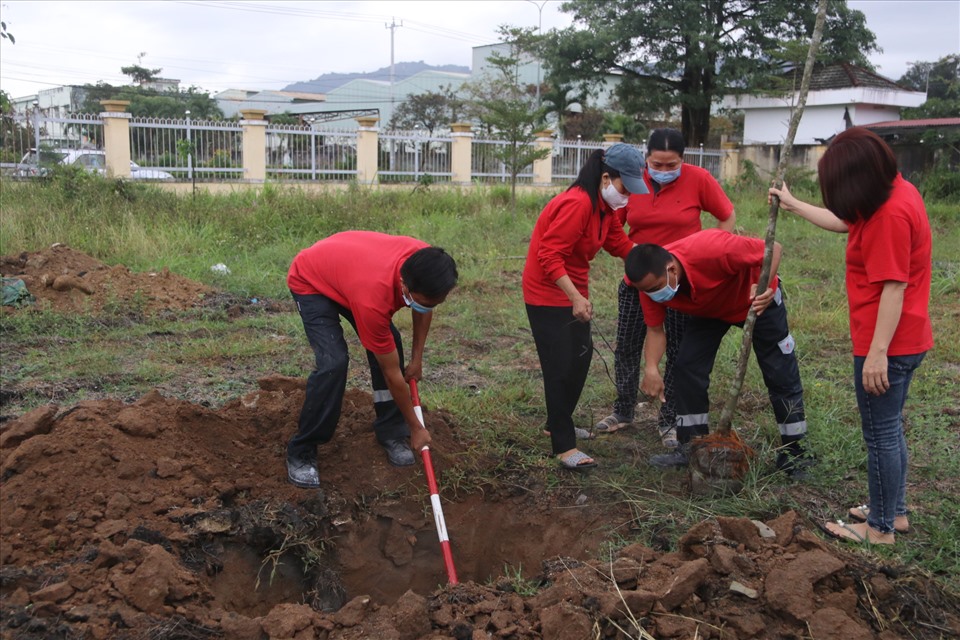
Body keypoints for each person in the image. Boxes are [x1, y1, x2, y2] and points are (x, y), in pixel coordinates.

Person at [770, 127, 932, 544]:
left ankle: (878, 529)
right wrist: (793, 204)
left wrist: (878, 353)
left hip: (888, 343)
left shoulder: (890, 216)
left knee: (879, 435)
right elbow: (846, 222)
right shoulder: (890, 192)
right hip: (902, 338)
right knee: (889, 428)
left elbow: (894, 287)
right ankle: (892, 512)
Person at [625, 229, 813, 476]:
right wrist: (651, 367)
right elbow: (656, 330)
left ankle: (796, 452)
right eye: (648, 290)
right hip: (709, 311)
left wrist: (765, 287)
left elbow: (773, 248)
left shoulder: (711, 249)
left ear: (671, 269)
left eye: (658, 287)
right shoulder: (648, 286)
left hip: (757, 302)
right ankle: (692, 446)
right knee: (686, 367)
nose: (655, 294)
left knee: (780, 372)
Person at [595, 128, 736, 451]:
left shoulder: (699, 179)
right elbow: (614, 222)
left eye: (670, 164)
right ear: (646, 159)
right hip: (638, 279)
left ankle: (669, 417)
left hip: (676, 283)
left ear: (682, 160)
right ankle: (623, 409)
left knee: (677, 351)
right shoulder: (633, 182)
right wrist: (632, 255)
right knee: (628, 344)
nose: (662, 170)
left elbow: (726, 217)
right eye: (656, 164)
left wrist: (711, 253)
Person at [285, 231, 458, 488]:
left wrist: (417, 358)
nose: (426, 305)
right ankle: (302, 450)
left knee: (392, 345)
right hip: (312, 280)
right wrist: (416, 427)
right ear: (404, 286)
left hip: (347, 272)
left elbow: (425, 307)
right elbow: (391, 374)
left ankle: (390, 431)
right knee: (334, 363)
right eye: (420, 301)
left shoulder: (428, 264)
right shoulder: (373, 298)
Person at [523, 143, 647, 470]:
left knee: (580, 358)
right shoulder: (577, 204)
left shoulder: (604, 209)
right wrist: (574, 296)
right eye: (625, 188)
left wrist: (655, 263)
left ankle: (556, 422)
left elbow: (621, 244)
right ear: (606, 177)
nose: (628, 197)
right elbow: (548, 256)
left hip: (574, 292)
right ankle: (563, 446)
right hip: (548, 293)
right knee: (559, 365)